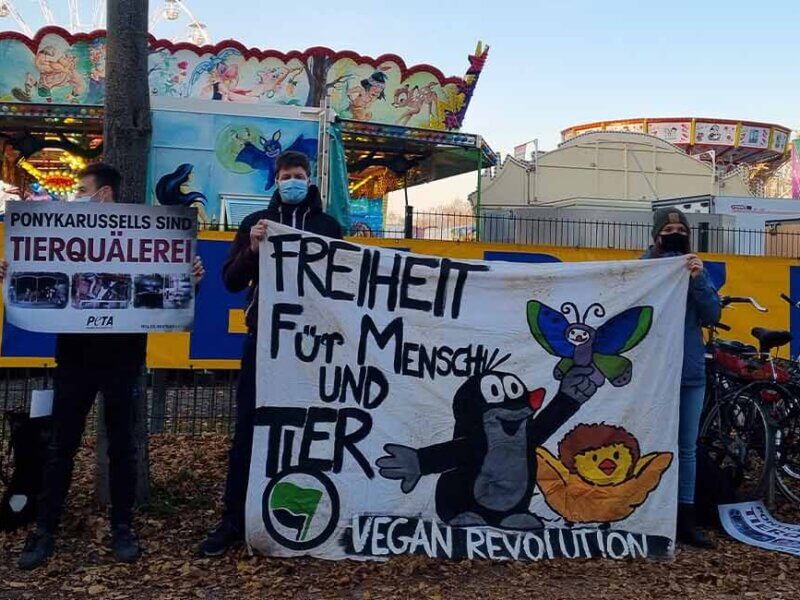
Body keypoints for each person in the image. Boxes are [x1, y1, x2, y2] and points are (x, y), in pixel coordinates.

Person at [0, 163, 206, 570]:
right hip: (74, 357)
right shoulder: (64, 233)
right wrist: (12, 274)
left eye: (82, 188)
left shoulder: (143, 233)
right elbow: (39, 275)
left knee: (124, 449)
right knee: (61, 447)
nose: (76, 194)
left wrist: (189, 279)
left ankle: (123, 528)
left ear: (105, 194)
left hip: (124, 359)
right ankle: (45, 529)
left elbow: (161, 289)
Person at [200, 150, 342, 557]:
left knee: (307, 429)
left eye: (298, 175)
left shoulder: (327, 226)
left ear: (309, 178)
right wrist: (252, 250)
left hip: (311, 347)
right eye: (285, 176)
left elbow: (345, 282)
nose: (292, 181)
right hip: (262, 341)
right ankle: (233, 519)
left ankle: (301, 516)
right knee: (248, 430)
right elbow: (230, 280)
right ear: (275, 181)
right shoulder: (253, 225)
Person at [643, 207, 721, 549]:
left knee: (686, 447)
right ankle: (646, 512)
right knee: (650, 442)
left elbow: (712, 314)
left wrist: (699, 279)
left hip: (688, 373)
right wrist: (652, 262)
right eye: (668, 229)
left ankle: (684, 516)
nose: (675, 233)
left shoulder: (694, 270)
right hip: (654, 373)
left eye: (680, 229)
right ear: (655, 235)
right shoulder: (644, 268)